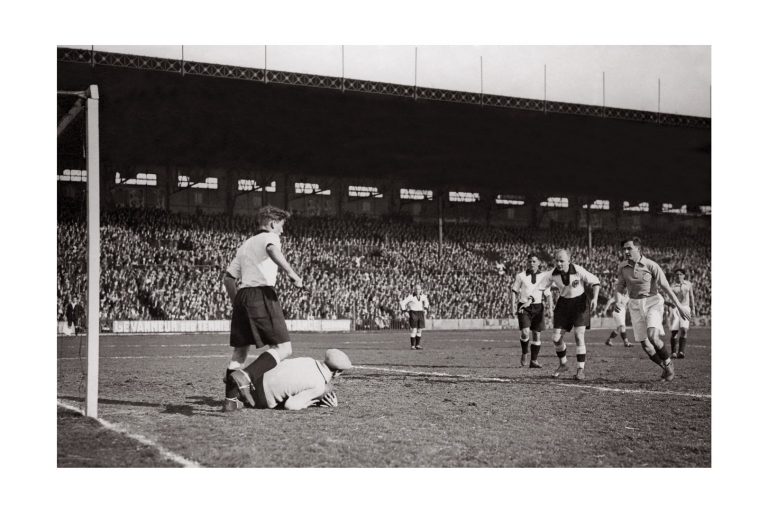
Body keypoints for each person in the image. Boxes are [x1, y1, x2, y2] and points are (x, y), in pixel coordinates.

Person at [221, 206, 303, 412]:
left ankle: (230, 401)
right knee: (284, 348)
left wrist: (236, 302)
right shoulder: (270, 237)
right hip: (261, 294)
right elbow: (271, 249)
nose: (282, 231)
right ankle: (246, 376)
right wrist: (292, 273)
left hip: (243, 296)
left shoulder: (245, 245)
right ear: (273, 223)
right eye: (281, 226)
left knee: (239, 352)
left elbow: (228, 278)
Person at [617, 238, 691, 381]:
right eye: (624, 249)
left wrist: (680, 306)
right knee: (645, 344)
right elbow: (620, 287)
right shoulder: (622, 267)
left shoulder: (651, 265)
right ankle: (664, 367)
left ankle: (669, 365)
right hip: (634, 304)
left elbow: (666, 287)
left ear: (638, 249)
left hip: (652, 302)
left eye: (629, 248)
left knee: (653, 336)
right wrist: (620, 300)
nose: (625, 251)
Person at [537, 249, 600, 380]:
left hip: (579, 303)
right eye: (557, 261)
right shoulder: (552, 274)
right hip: (563, 305)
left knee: (578, 335)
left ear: (569, 261)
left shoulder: (577, 270)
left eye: (562, 261)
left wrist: (595, 298)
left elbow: (595, 281)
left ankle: (580, 370)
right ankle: (563, 364)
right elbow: (539, 287)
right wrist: (531, 300)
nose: (559, 264)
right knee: (555, 338)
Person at [229, 348, 352, 410]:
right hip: (259, 398)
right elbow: (290, 405)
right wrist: (309, 404)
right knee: (324, 390)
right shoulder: (319, 385)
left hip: (255, 380)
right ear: (337, 373)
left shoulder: (309, 360)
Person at [511, 253, 552, 368]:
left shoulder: (544, 276)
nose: (532, 263)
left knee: (536, 335)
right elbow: (514, 291)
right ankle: (525, 352)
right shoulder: (521, 276)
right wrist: (512, 306)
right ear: (526, 262)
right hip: (524, 306)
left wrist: (550, 307)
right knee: (525, 332)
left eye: (534, 261)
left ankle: (534, 360)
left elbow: (548, 293)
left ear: (539, 263)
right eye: (529, 261)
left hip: (538, 307)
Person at [667, 268, 696, 358]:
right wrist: (669, 309)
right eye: (677, 274)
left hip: (686, 308)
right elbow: (669, 299)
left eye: (680, 274)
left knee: (684, 329)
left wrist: (693, 308)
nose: (678, 276)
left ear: (684, 275)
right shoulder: (672, 286)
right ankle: (673, 352)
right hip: (676, 308)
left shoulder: (688, 284)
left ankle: (681, 352)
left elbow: (691, 296)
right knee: (674, 331)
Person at [400, 284, 429, 350]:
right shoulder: (410, 297)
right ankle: (412, 346)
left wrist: (425, 309)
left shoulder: (423, 296)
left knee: (420, 329)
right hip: (413, 312)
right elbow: (403, 303)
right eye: (416, 289)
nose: (417, 290)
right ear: (414, 290)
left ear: (421, 290)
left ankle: (417, 345)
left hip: (420, 313)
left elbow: (426, 302)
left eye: (419, 289)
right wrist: (405, 312)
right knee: (414, 329)